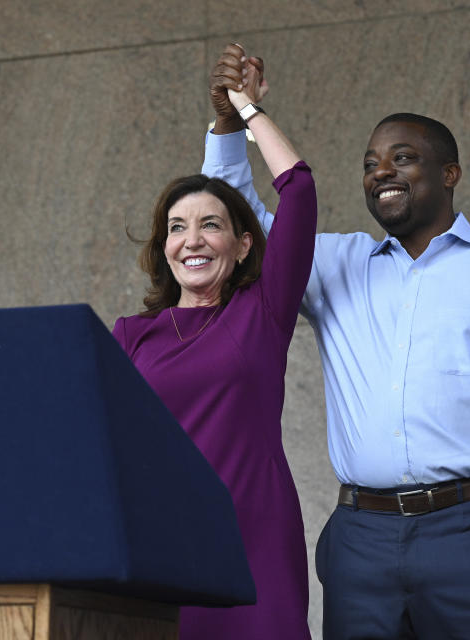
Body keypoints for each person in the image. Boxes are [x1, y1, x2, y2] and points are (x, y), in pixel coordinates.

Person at [205, 45, 470, 639]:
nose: (381, 171)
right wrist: (230, 124)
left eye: (402, 158)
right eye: (370, 163)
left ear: (449, 174)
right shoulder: (333, 263)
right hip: (363, 540)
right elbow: (236, 223)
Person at [113, 55, 315, 639]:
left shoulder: (264, 311)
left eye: (211, 225)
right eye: (177, 226)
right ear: (164, 246)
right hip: (161, 541)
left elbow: (298, 191)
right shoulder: (132, 335)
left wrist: (246, 109)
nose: (192, 240)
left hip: (256, 537)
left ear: (244, 244)